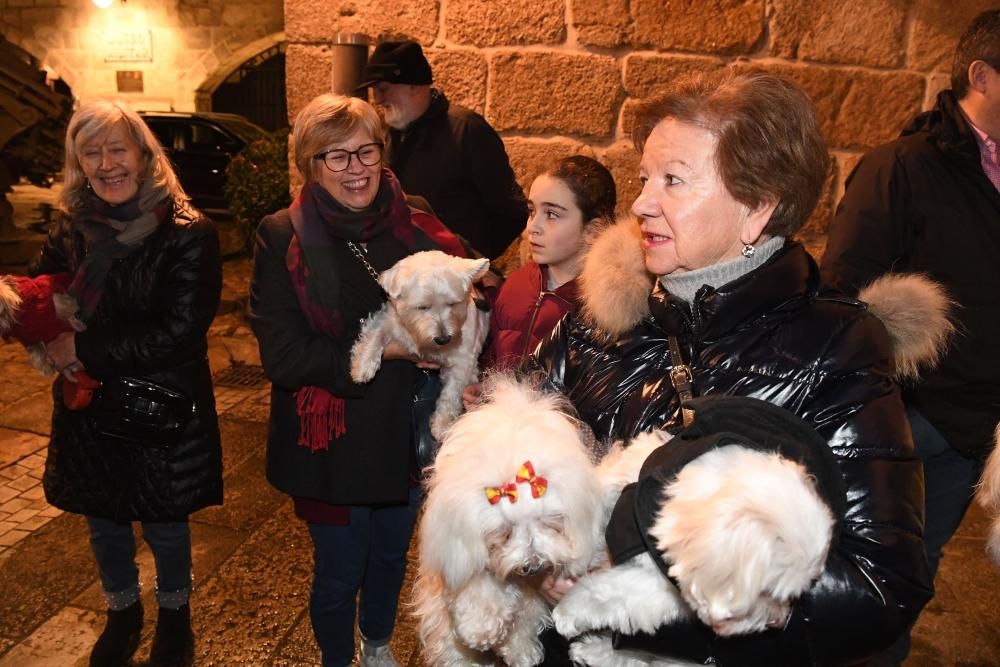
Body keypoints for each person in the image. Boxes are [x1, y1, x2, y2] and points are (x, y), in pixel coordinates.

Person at [525, 70, 935, 665]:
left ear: (756, 209)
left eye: (673, 180)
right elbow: (509, 464)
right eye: (644, 178)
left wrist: (651, 600)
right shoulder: (595, 321)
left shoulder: (837, 350)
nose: (640, 201)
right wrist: (535, 556)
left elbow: (879, 586)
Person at [248, 93, 469, 667]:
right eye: (336, 156)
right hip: (332, 437)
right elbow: (284, 355)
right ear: (311, 165)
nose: (357, 169)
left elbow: (466, 285)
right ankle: (335, 660)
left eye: (366, 150)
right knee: (341, 566)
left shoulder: (415, 215)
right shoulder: (281, 235)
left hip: (406, 427)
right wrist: (391, 350)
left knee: (393, 556)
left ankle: (375, 642)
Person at [820, 10, 1000, 665]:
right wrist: (883, 408)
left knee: (908, 586)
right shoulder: (901, 168)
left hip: (974, 428)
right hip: (904, 420)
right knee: (856, 577)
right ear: (981, 74)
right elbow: (844, 294)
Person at [29, 100, 223, 667]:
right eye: (91, 152)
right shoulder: (71, 224)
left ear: (143, 155)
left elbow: (180, 331)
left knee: (163, 521)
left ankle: (173, 616)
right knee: (103, 520)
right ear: (78, 161)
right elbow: (45, 287)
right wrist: (32, 325)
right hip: (86, 401)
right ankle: (121, 612)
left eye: (118, 149)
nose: (106, 163)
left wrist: (80, 347)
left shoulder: (187, 231)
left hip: (155, 403)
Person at [358, 39, 528, 260]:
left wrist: (470, 260)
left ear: (413, 85)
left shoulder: (467, 130)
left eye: (382, 89)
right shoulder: (391, 134)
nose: (377, 99)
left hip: (455, 281)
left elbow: (512, 212)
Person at [482, 155, 616, 372]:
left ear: (593, 229)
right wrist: (483, 388)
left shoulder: (605, 308)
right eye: (532, 211)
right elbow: (494, 358)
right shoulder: (517, 283)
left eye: (552, 214)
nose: (533, 227)